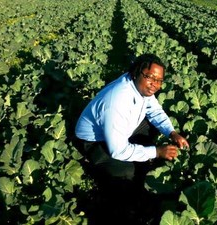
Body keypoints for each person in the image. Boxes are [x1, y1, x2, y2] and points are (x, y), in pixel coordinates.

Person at [75, 53, 189, 223]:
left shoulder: (140, 87)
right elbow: (118, 149)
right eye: (150, 77)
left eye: (159, 80)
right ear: (136, 73)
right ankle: (111, 188)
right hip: (94, 141)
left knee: (153, 126)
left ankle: (141, 157)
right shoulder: (117, 102)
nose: (155, 84)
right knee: (126, 172)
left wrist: (172, 133)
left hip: (121, 129)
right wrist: (156, 152)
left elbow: (155, 111)